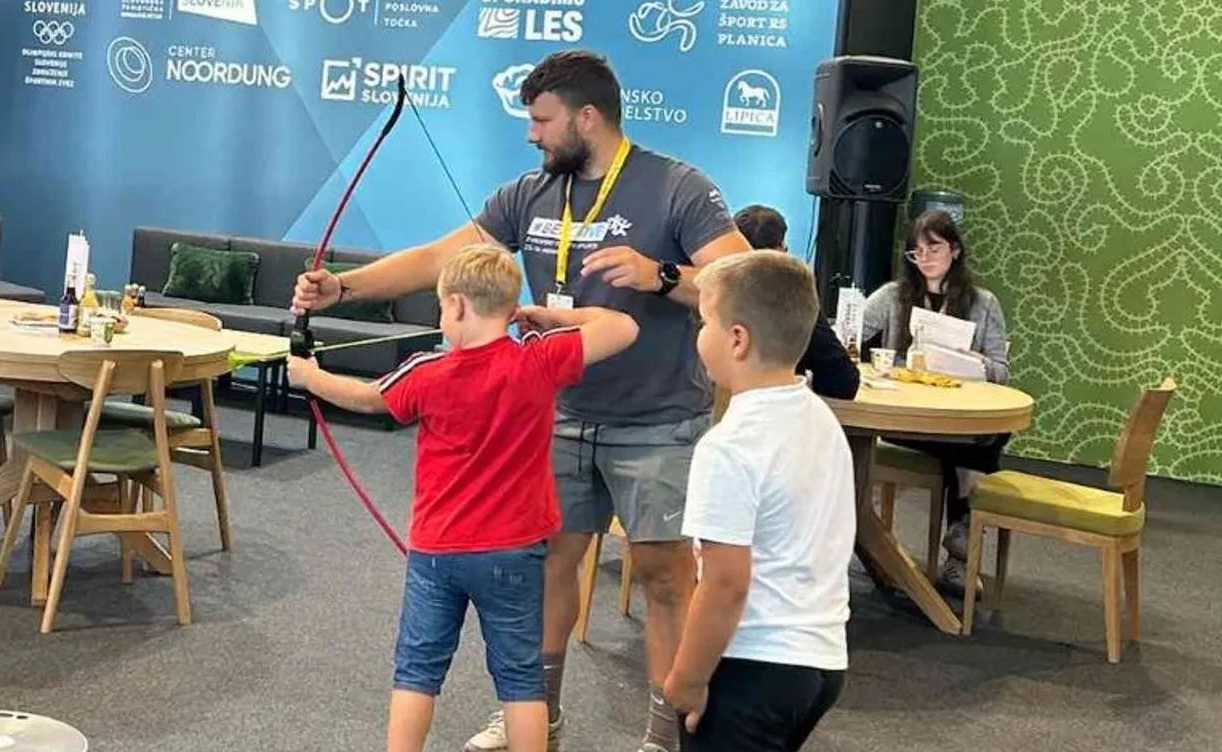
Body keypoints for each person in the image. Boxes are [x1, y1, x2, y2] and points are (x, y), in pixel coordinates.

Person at [292, 49, 753, 752]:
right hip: (561, 418)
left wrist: (661, 274)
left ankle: (664, 738)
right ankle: (536, 717)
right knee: (552, 566)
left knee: (663, 577)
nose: (532, 134)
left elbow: (744, 281)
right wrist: (344, 287)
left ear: (587, 117)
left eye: (542, 120)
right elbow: (440, 257)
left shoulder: (676, 187)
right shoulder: (530, 192)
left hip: (657, 419)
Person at [286, 244, 640, 752]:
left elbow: (365, 398)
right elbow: (623, 327)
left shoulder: (424, 371)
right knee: (521, 679)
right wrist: (550, 318)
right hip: (515, 551)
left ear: (455, 306)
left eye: (441, 305)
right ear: (507, 307)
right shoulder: (539, 359)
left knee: (417, 670)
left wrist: (309, 376)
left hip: (438, 551)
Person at [663, 250, 854, 752]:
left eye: (704, 322)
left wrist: (687, 678)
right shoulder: (821, 419)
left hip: (753, 663)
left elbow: (725, 582)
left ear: (737, 339)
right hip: (821, 659)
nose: (699, 334)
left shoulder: (728, 446)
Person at [859, 209, 1010, 582]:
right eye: (916, 252)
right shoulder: (893, 296)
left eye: (934, 248)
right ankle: (962, 544)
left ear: (954, 250)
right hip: (903, 415)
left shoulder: (983, 304)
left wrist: (976, 361)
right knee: (981, 445)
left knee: (979, 437)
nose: (924, 258)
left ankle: (959, 547)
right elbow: (851, 330)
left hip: (950, 413)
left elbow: (1002, 372)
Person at [731, 205, 858, 399]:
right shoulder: (791, 302)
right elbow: (843, 381)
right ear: (780, 251)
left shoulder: (709, 297)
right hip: (776, 410)